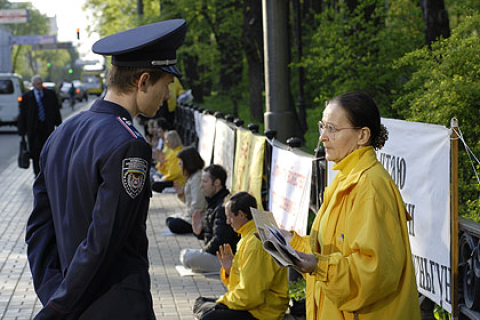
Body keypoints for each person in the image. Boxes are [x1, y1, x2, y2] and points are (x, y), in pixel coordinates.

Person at [25, 19, 187, 319]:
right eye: (166, 86)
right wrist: (59, 307)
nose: (166, 97)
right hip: (116, 305)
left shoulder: (62, 133)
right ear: (143, 81)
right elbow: (103, 242)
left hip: (70, 300)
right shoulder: (129, 145)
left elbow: (38, 230)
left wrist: (55, 294)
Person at [281, 92, 421, 319]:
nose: (323, 137)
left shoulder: (369, 186)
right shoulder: (347, 176)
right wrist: (291, 241)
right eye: (322, 127)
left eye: (332, 129)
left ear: (362, 135)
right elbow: (331, 249)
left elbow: (374, 272)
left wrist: (320, 266)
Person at [193, 192, 289, 320]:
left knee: (209, 316)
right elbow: (245, 286)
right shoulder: (250, 234)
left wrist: (223, 301)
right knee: (200, 302)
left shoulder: (255, 243)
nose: (228, 222)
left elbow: (250, 296)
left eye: (230, 217)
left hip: (263, 313)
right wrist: (230, 270)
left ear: (242, 215)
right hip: (254, 305)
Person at [180, 164, 238, 273]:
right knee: (186, 254)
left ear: (217, 183)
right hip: (219, 255)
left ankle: (226, 269)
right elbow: (213, 234)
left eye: (205, 182)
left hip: (227, 259)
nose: (201, 186)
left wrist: (204, 251)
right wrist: (200, 232)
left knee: (187, 256)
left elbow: (221, 240)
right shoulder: (214, 201)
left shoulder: (223, 206)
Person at [17, 74, 62, 176]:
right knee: (35, 154)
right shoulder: (27, 97)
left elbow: (56, 112)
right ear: (33, 84)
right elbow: (22, 116)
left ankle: (47, 173)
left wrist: (59, 127)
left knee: (48, 152)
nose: (40, 85)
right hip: (33, 131)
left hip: (47, 129)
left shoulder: (50, 95)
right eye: (38, 83)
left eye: (41, 83)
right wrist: (22, 132)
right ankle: (37, 174)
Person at [165, 146, 207, 234]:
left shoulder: (197, 179)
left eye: (181, 163)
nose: (179, 165)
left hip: (199, 218)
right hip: (192, 215)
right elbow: (190, 202)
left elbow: (198, 206)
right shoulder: (193, 177)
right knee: (170, 220)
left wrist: (184, 216)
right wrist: (181, 193)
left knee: (173, 223)